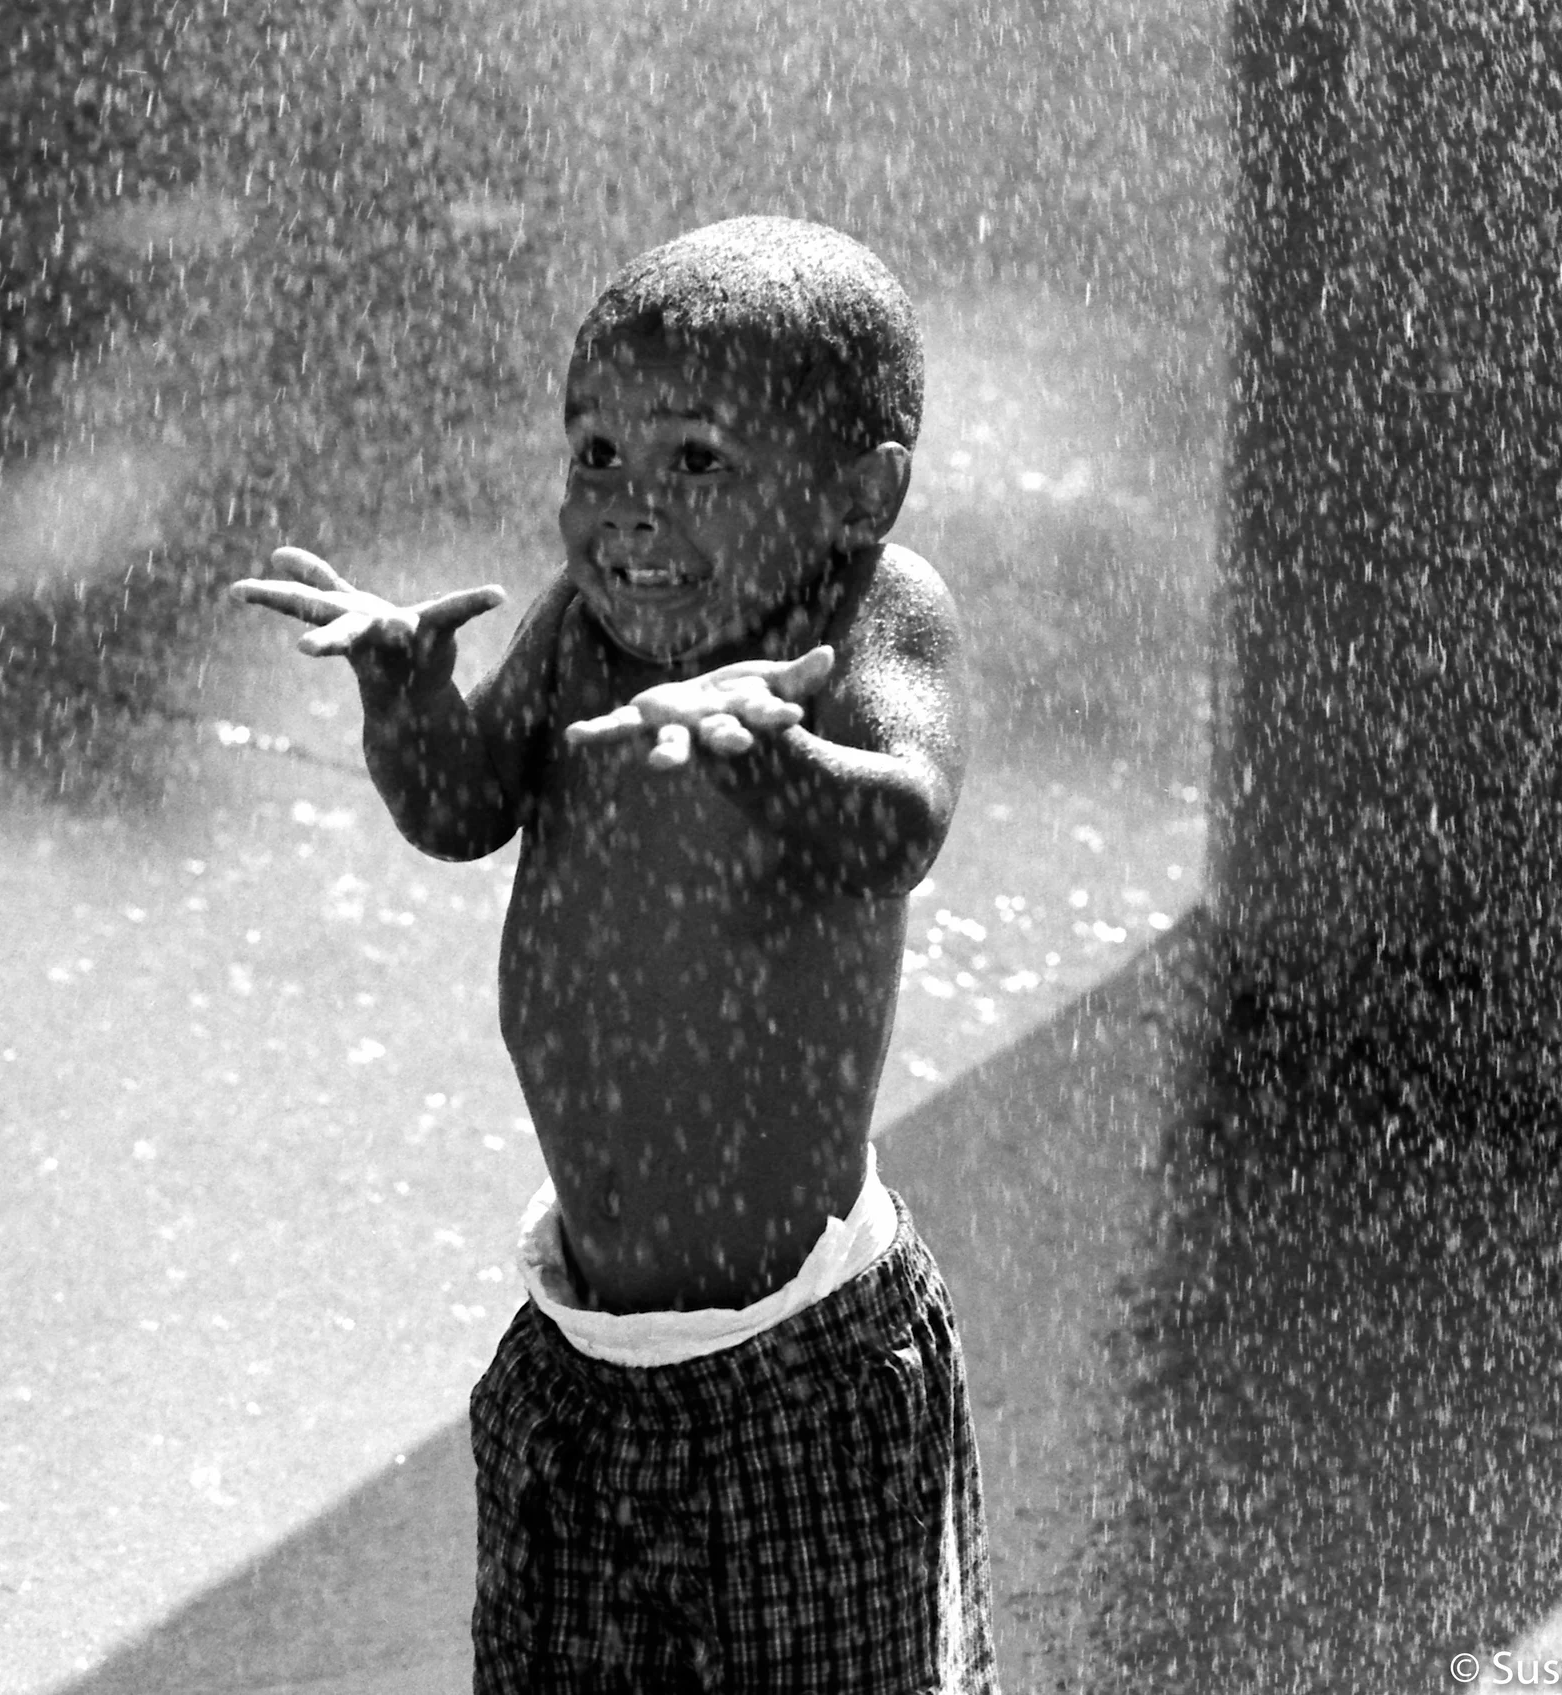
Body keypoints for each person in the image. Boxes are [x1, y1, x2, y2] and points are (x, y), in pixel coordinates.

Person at [233, 215, 996, 1693]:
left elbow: (902, 823)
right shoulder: (583, 630)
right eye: (596, 456)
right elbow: (466, 810)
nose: (629, 509)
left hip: (800, 1374)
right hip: (584, 1360)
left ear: (860, 488)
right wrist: (406, 705)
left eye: (698, 461)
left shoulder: (872, 614)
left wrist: (767, 756)